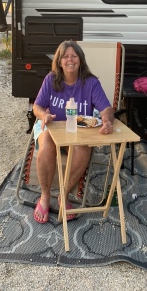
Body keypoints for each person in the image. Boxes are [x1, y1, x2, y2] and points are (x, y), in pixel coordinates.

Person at [32, 40, 114, 223]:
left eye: (74, 56)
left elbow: (106, 108)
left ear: (80, 59)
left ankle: (63, 194)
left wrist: (107, 121)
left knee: (83, 148)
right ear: (60, 61)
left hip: (77, 130)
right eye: (65, 56)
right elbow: (37, 106)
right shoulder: (51, 79)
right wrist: (43, 115)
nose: (70, 60)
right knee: (46, 146)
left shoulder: (91, 83)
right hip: (52, 126)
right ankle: (45, 196)